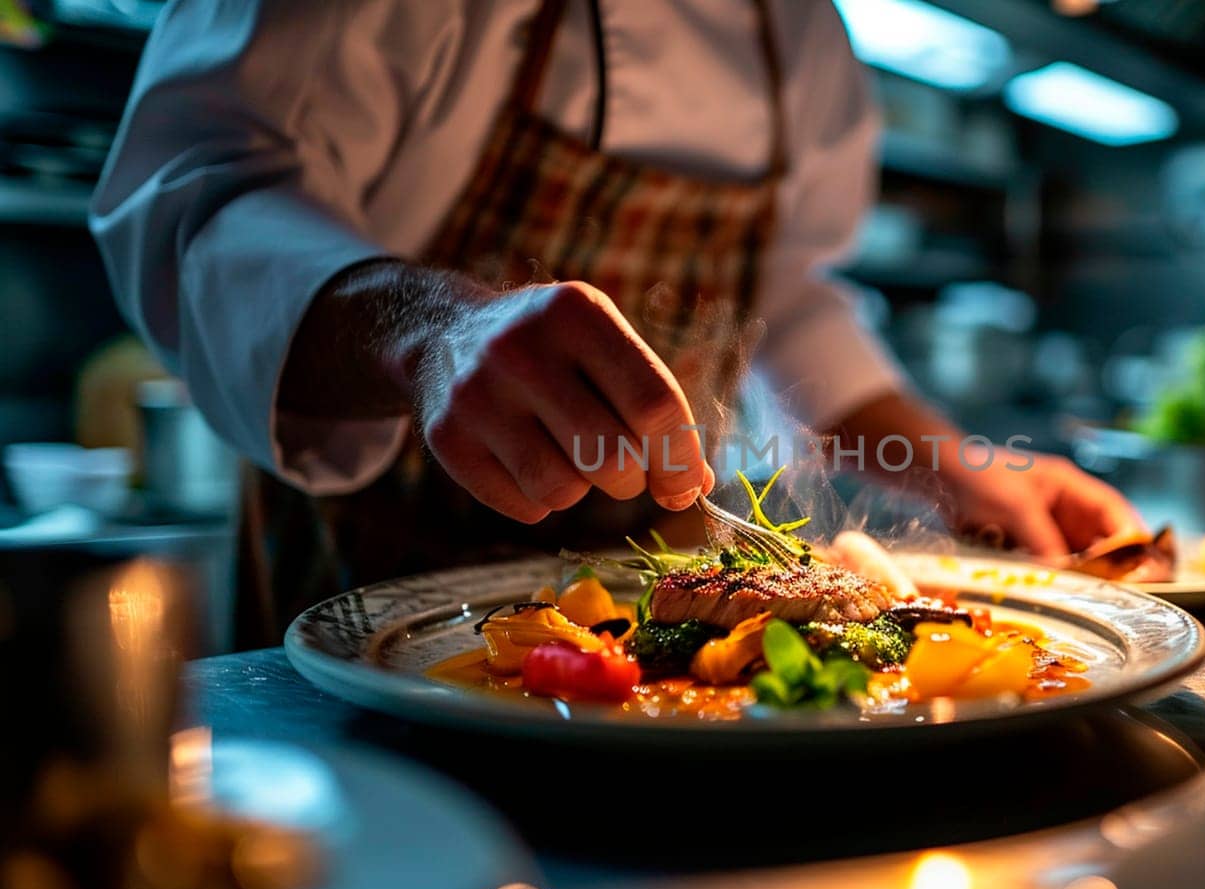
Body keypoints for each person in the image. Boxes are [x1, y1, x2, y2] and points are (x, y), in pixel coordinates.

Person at [90, 0, 1142, 642]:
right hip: (371, 609)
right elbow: (193, 192)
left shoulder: (802, 32)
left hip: (669, 639)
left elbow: (785, 292)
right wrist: (434, 334)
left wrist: (954, 469)